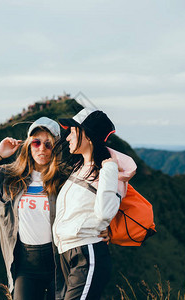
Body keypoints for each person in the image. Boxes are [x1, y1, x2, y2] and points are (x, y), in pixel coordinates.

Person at [0, 117, 110, 300]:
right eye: (36, 142)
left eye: (48, 144)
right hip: (26, 266)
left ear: (57, 147)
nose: (41, 149)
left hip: (59, 262)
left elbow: (97, 201)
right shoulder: (10, 176)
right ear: (28, 145)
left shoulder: (68, 178)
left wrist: (108, 228)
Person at [52, 108, 137, 300]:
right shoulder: (80, 168)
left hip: (87, 253)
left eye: (72, 132)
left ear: (88, 136)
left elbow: (105, 213)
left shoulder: (110, 173)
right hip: (67, 252)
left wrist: (110, 169)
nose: (67, 138)